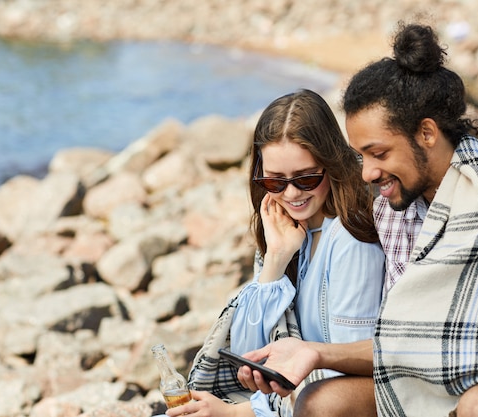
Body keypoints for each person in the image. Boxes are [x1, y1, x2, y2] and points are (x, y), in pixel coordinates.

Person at [237, 22, 478, 417]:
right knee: (323, 402)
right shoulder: (392, 211)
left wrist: (317, 355)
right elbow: (407, 341)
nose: (367, 172)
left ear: (426, 133)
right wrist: (311, 353)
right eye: (361, 156)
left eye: (379, 153)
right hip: (427, 384)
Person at [164, 89, 385, 417]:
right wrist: (276, 259)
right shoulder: (288, 232)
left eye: (306, 178)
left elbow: (345, 377)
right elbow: (248, 352)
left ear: (332, 163)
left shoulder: (352, 241)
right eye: (275, 182)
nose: (292, 194)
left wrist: (237, 414)